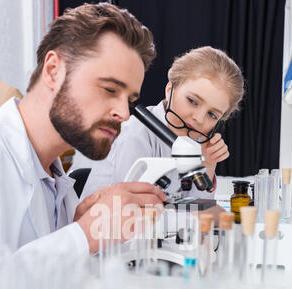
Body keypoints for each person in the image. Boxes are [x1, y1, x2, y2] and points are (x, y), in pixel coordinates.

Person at [0, 3, 167, 255]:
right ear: (54, 71)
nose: (125, 113)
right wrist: (84, 235)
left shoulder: (60, 190)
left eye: (130, 99)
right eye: (109, 89)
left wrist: (78, 230)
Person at [81, 46, 245, 202]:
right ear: (169, 90)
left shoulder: (190, 141)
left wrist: (208, 165)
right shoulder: (136, 135)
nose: (199, 119)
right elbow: (135, 211)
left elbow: (195, 205)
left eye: (212, 114)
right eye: (192, 101)